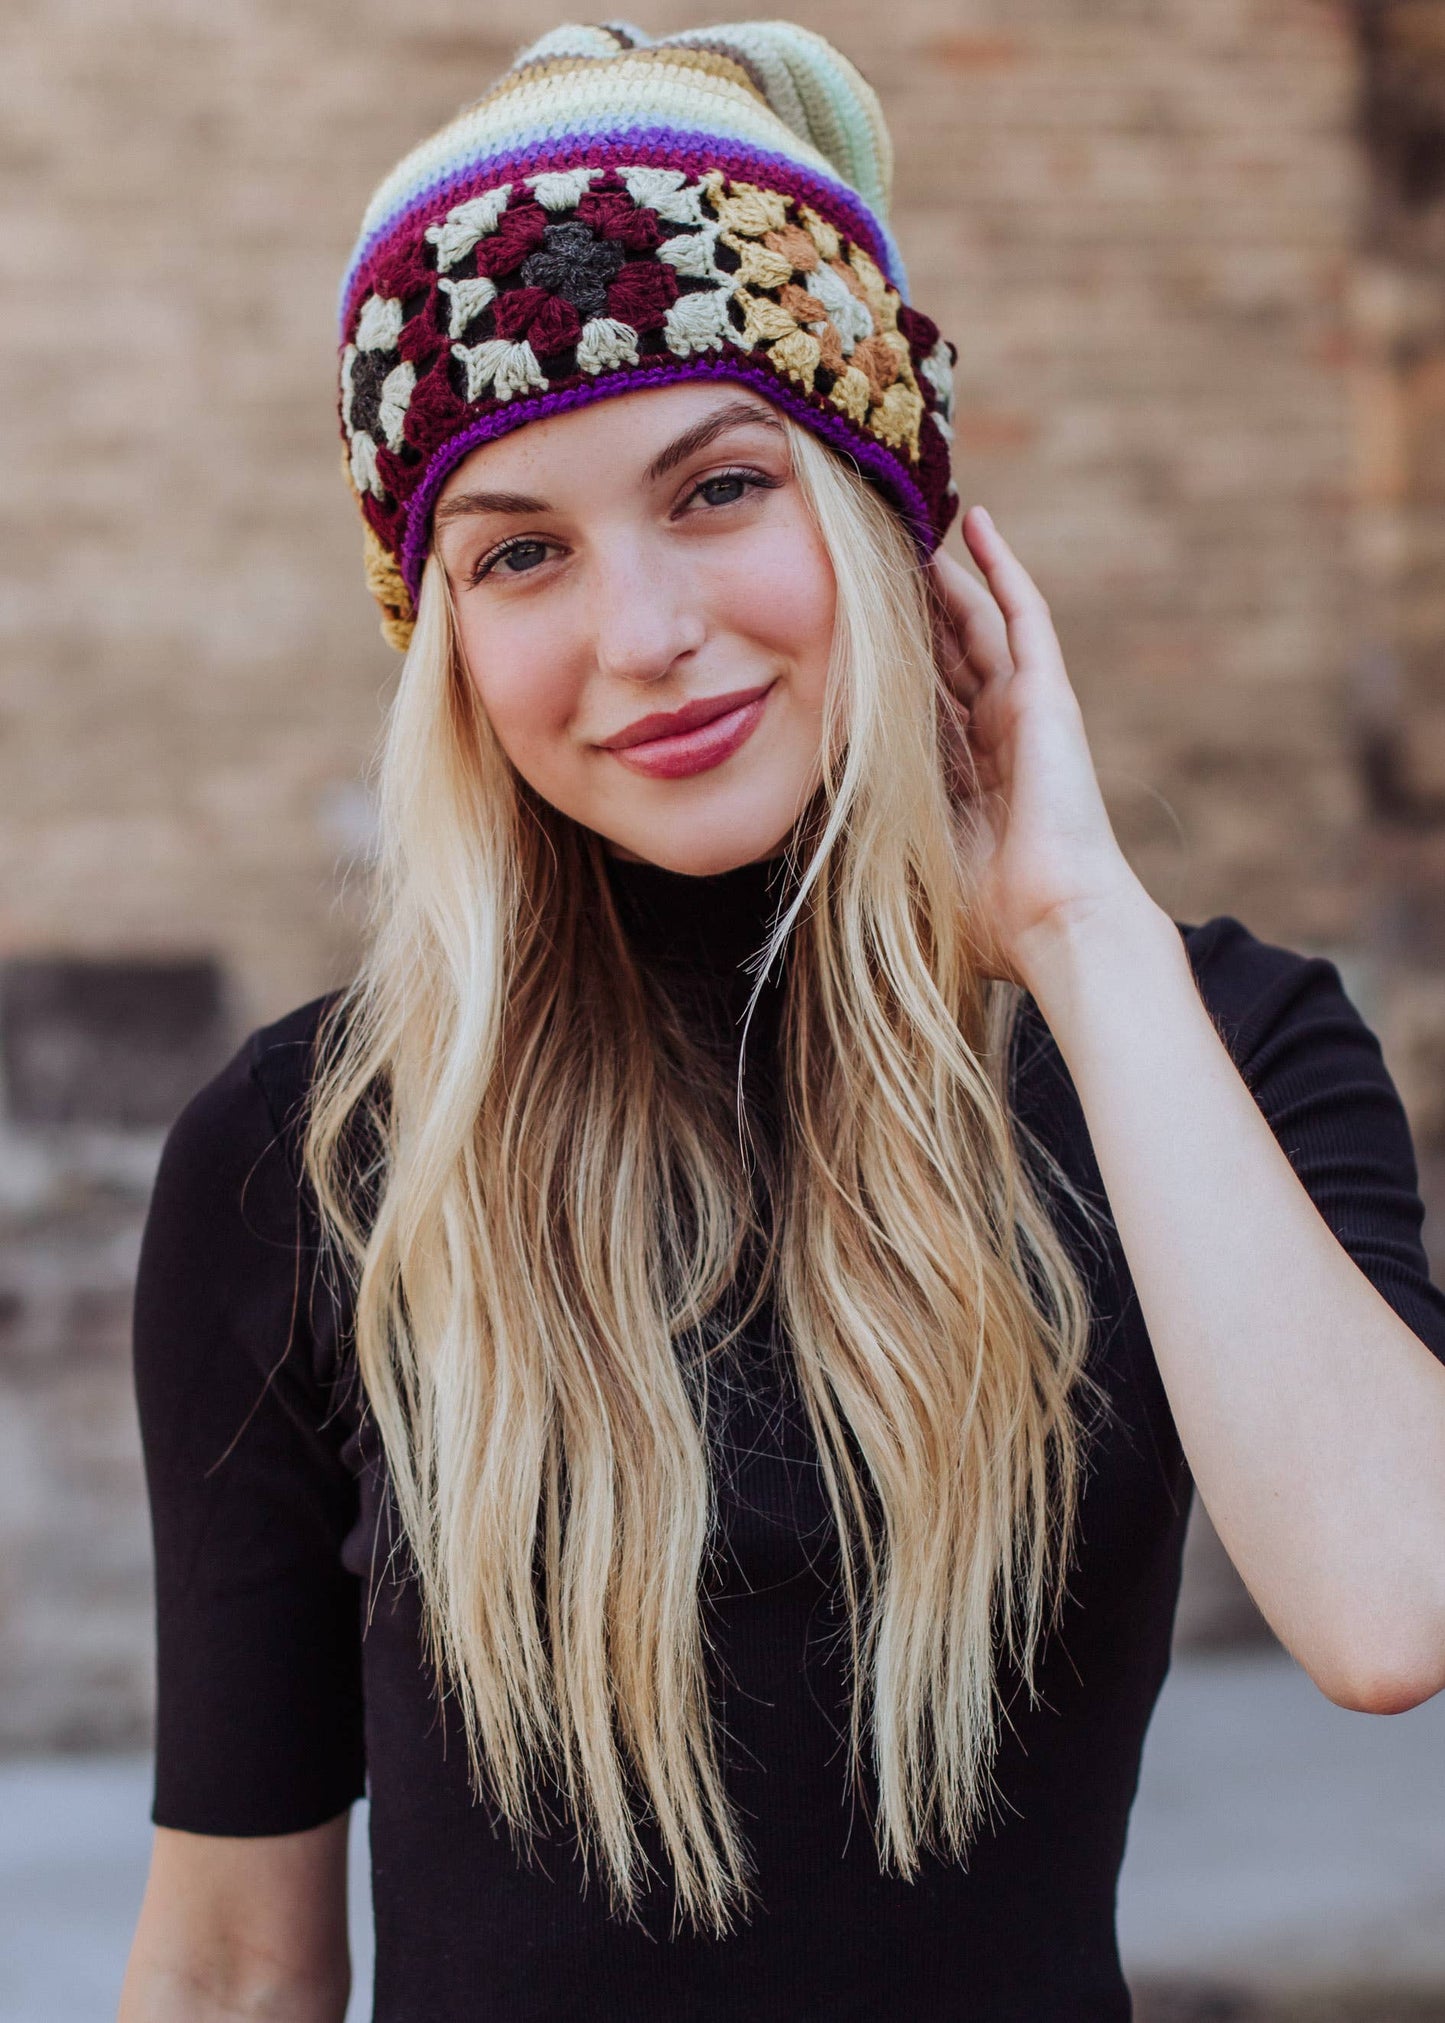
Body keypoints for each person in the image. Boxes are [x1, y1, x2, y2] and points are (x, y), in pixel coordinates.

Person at [118, 21, 1445, 2023]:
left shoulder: (1202, 1047)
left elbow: (1386, 1598)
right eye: (523, 553)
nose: (641, 636)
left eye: (719, 486)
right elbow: (228, 1968)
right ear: (447, 641)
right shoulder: (308, 1150)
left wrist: (1077, 923)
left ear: (883, 505)